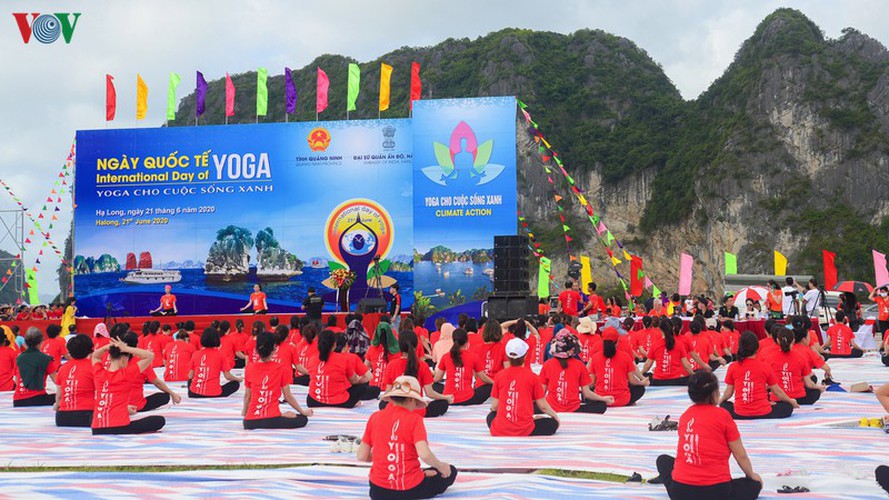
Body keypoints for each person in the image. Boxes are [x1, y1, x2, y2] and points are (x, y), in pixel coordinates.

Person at [654, 371, 763, 500]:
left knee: (662, 460)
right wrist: (751, 475)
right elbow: (740, 455)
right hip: (716, 492)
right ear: (714, 393)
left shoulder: (685, 416)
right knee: (754, 485)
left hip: (680, 492)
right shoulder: (722, 415)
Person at [357, 375, 457, 499]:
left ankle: (420, 474)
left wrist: (384, 456)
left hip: (378, 491)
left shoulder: (375, 417)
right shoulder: (414, 419)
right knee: (450, 471)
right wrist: (441, 467)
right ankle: (423, 475)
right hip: (410, 489)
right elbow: (424, 454)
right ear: (411, 400)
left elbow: (361, 456)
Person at [91, 338, 166, 435]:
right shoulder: (126, 374)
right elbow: (150, 356)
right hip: (120, 426)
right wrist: (126, 348)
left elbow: (95, 356)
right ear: (124, 359)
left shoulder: (99, 373)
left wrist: (106, 348)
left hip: (97, 427)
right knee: (159, 420)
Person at [487, 338, 560, 436]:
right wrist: (555, 416)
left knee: (491, 416)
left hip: (501, 428)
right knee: (552, 424)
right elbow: (543, 406)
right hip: (524, 428)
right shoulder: (533, 377)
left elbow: (495, 406)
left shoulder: (500, 375)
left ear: (508, 356)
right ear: (525, 356)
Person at [720, 331, 799, 419]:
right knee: (787, 406)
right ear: (757, 348)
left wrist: (720, 401)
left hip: (740, 413)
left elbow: (728, 393)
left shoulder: (733, 366)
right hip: (763, 411)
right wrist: (790, 401)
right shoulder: (765, 366)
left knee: (724, 405)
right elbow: (777, 392)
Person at [242, 331, 313, 429]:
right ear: (274, 348)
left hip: (250, 422)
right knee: (302, 419)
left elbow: (247, 396)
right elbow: (288, 396)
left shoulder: (249, 368)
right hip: (272, 419)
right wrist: (303, 412)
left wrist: (245, 415)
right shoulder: (280, 368)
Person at [381, 330, 452, 418]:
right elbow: (430, 393)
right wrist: (446, 398)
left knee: (383, 404)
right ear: (416, 346)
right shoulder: (422, 365)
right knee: (443, 403)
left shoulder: (391, 365)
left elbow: (388, 392)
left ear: (399, 346)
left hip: (395, 408)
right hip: (416, 409)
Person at [539, 329, 612, 413]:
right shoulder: (580, 365)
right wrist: (603, 398)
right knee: (601, 405)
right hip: (573, 408)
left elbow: (541, 393)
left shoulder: (547, 364)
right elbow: (587, 394)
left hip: (552, 406)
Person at [306, 329, 378, 408]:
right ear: (334, 345)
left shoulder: (312, 359)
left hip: (314, 401)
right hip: (340, 401)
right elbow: (356, 380)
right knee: (363, 388)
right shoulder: (344, 359)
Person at [120, 331, 181, 412]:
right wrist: (173, 394)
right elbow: (157, 382)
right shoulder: (142, 363)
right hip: (136, 405)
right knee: (164, 397)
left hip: (116, 405)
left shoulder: (112, 362)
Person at [589, 327, 649, 407]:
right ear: (617, 342)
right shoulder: (625, 356)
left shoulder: (595, 357)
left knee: (587, 391)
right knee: (639, 389)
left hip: (601, 399)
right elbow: (632, 380)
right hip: (622, 399)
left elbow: (592, 382)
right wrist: (642, 382)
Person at [434, 328, 494, 405]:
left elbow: (438, 378)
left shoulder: (446, 356)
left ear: (453, 341)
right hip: (469, 398)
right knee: (489, 386)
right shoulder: (473, 356)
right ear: (467, 341)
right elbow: (484, 378)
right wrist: (495, 383)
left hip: (449, 398)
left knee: (433, 385)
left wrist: (428, 382)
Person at [766, 329, 825, 405]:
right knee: (815, 391)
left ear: (777, 340)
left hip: (778, 398)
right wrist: (819, 387)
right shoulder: (800, 357)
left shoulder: (769, 358)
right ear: (793, 341)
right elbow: (808, 383)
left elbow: (767, 384)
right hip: (799, 397)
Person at [54, 334, 95, 427]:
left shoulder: (63, 368)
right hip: (86, 415)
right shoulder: (94, 366)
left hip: (62, 417)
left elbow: (59, 397)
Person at [189, 328, 242, 398]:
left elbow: (190, 375)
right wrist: (238, 379)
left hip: (194, 393)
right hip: (214, 392)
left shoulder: (196, 353)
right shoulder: (221, 354)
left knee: (190, 382)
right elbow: (227, 376)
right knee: (235, 384)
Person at [13, 327, 60, 407]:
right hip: (37, 398)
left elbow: (17, 380)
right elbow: (57, 381)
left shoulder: (19, 358)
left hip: (18, 400)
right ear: (41, 342)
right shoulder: (46, 359)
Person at [641, 321, 694, 386]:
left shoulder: (655, 345)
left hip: (658, 380)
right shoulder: (679, 345)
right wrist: (693, 375)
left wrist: (640, 374)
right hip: (676, 380)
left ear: (660, 329)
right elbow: (686, 366)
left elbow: (647, 365)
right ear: (672, 328)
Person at [366, 322, 400, 390]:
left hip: (374, 388)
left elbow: (364, 368)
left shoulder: (372, 348)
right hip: (391, 388)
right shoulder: (397, 350)